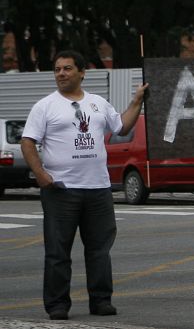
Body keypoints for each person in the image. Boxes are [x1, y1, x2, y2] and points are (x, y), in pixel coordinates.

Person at [20, 50, 148, 320]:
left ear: (81, 73)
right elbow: (28, 142)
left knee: (100, 249)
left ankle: (101, 301)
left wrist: (136, 101)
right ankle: (57, 305)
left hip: (98, 190)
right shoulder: (45, 106)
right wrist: (41, 174)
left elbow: (122, 126)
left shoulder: (98, 103)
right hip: (60, 190)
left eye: (67, 69)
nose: (61, 74)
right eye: (57, 70)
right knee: (57, 251)